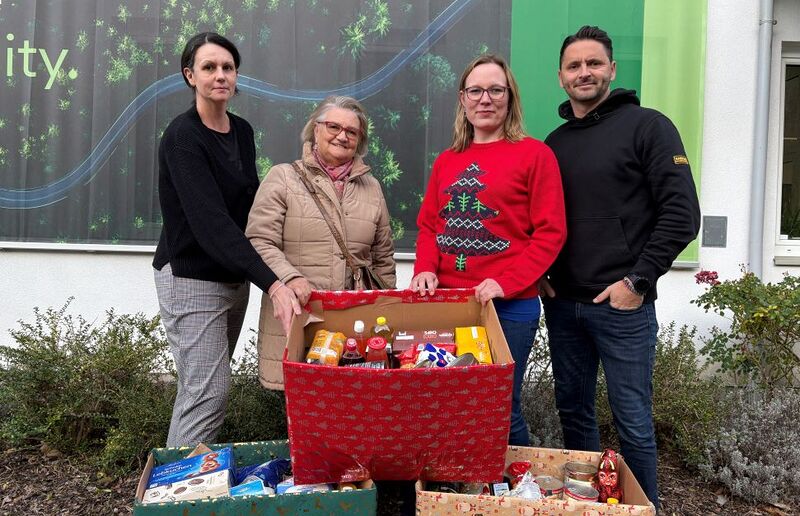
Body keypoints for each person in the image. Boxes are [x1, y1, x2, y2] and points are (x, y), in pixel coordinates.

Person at [542, 26, 701, 510]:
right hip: (564, 306)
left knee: (632, 419)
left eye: (593, 63)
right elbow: (544, 220)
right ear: (560, 77)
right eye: (574, 65)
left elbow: (682, 215)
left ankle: (645, 507)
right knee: (574, 413)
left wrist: (638, 280)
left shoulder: (649, 127)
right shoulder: (554, 143)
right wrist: (543, 273)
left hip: (623, 307)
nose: (584, 72)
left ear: (612, 70)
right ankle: (589, 505)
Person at [410, 54, 567, 446]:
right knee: (445, 402)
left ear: (510, 97)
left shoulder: (535, 155)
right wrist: (425, 267)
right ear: (463, 99)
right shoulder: (448, 160)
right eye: (476, 91)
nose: (485, 99)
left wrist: (506, 283)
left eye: (496, 90)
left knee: (499, 407)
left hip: (509, 308)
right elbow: (430, 225)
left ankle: (514, 480)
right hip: (449, 303)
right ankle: (455, 479)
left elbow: (550, 233)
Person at [153, 32, 300, 447]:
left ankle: (184, 473)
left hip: (231, 277)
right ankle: (180, 483)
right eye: (209, 67)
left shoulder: (241, 131)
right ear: (190, 76)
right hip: (192, 278)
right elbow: (211, 224)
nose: (220, 75)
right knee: (207, 394)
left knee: (202, 389)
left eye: (228, 67)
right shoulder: (183, 137)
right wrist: (273, 283)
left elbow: (250, 208)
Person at [246, 95, 397, 390]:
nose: (342, 136)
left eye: (352, 131)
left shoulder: (372, 188)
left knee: (355, 403)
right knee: (302, 405)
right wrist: (289, 277)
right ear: (315, 129)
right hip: (301, 315)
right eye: (333, 127)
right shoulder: (283, 178)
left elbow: (383, 258)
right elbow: (259, 241)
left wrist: (385, 311)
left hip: (356, 323)